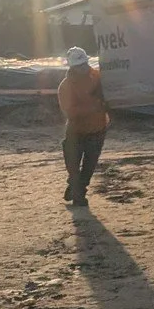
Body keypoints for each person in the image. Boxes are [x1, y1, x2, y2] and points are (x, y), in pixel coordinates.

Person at [58, 47, 110, 208]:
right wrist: (92, 108)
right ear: (72, 67)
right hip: (76, 132)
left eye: (85, 63)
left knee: (89, 167)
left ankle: (77, 189)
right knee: (73, 167)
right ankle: (77, 195)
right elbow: (70, 112)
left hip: (98, 129)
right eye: (80, 65)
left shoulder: (97, 76)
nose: (84, 67)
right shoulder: (66, 87)